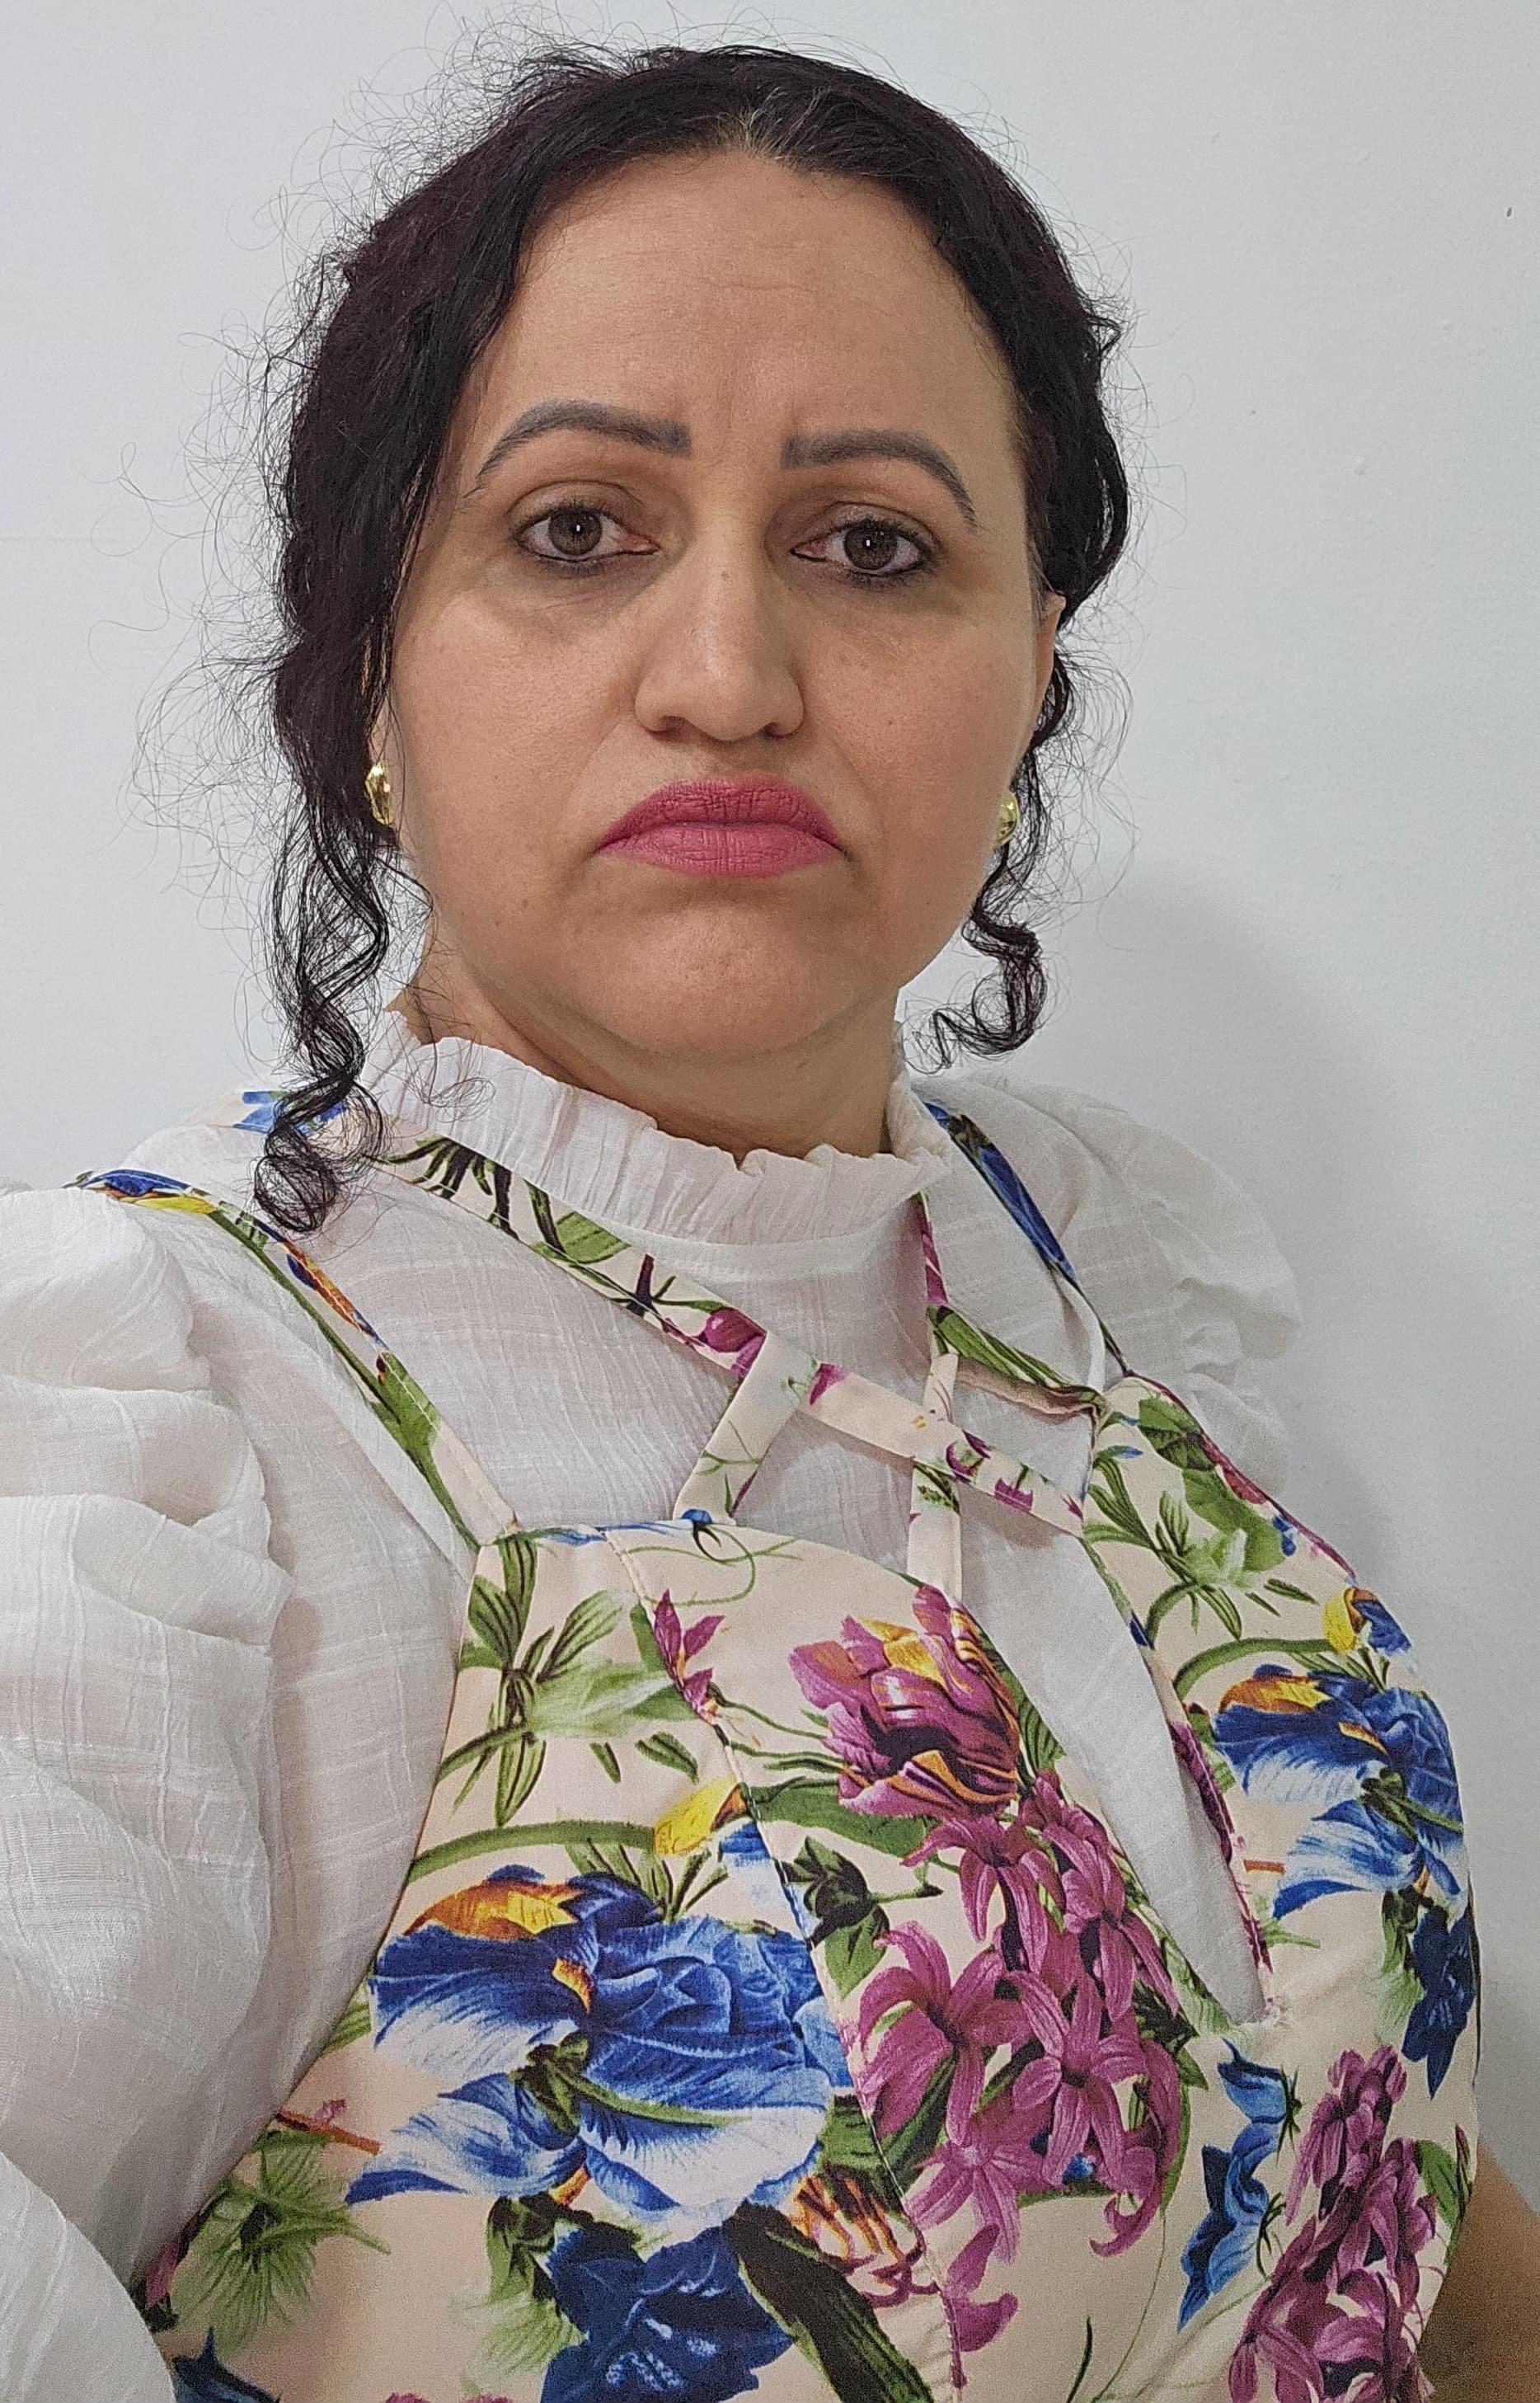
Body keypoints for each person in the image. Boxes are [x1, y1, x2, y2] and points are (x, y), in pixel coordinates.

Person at [2, 36, 1535, 2403]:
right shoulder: (175, 1430)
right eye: (575, 531)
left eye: (874, 547)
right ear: (372, 672)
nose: (727, 677)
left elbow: (1382, 2173)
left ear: (1030, 673)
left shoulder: (1092, 1270)